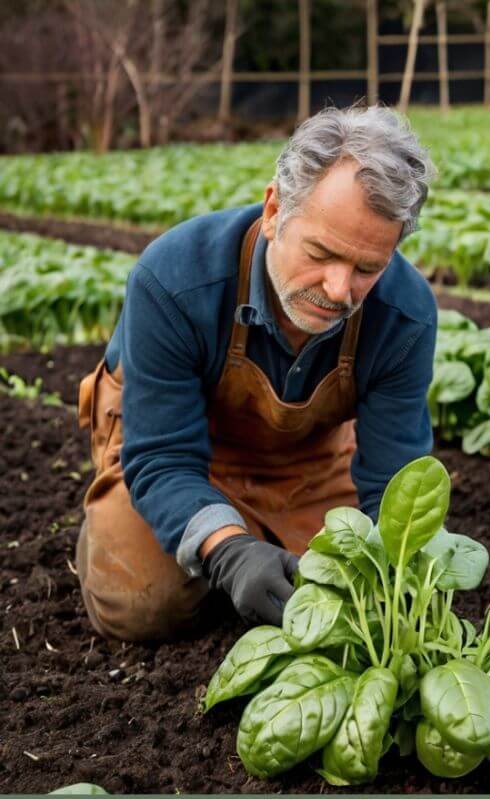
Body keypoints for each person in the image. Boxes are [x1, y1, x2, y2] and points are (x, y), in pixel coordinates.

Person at [75, 104, 437, 642]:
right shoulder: (174, 279)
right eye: (322, 252)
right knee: (145, 604)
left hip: (305, 468)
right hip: (179, 457)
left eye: (366, 268)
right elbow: (161, 453)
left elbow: (394, 485)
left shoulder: (404, 314)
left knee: (353, 597)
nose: (339, 289)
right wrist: (230, 552)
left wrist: (402, 587)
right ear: (274, 211)